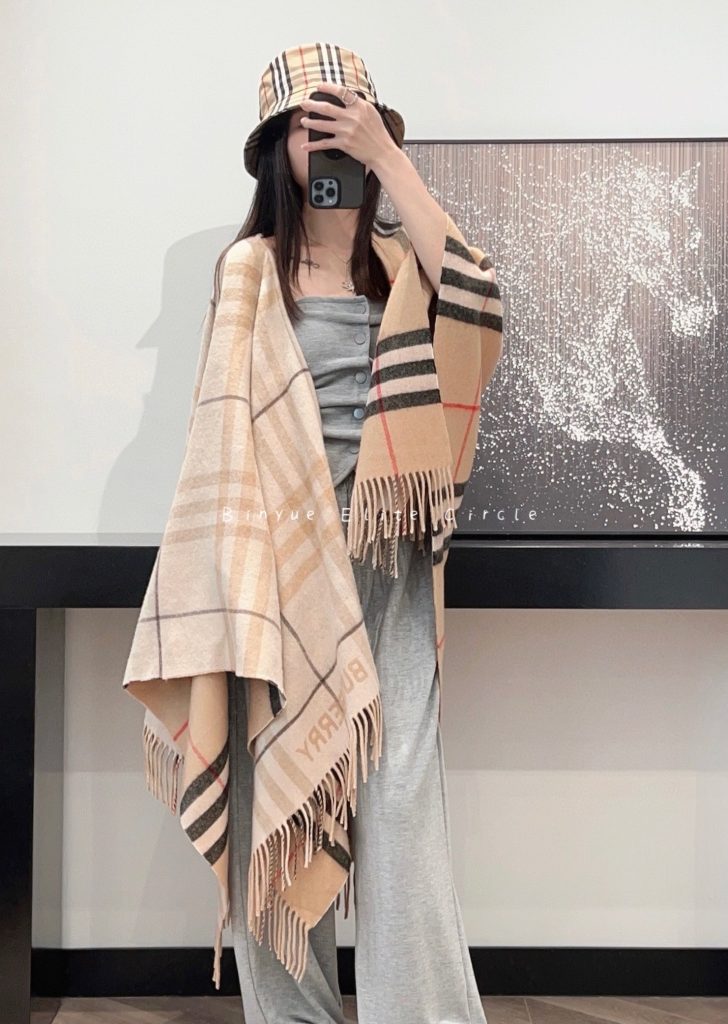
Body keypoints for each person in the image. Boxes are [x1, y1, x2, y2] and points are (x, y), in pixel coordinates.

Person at [224, 41, 491, 1024]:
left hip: (389, 560)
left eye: (347, 120)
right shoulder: (251, 271)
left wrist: (389, 159)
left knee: (400, 807)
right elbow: (220, 435)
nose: (327, 138)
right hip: (280, 570)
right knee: (277, 807)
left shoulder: (403, 264)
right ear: (275, 148)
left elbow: (481, 302)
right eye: (309, 123)